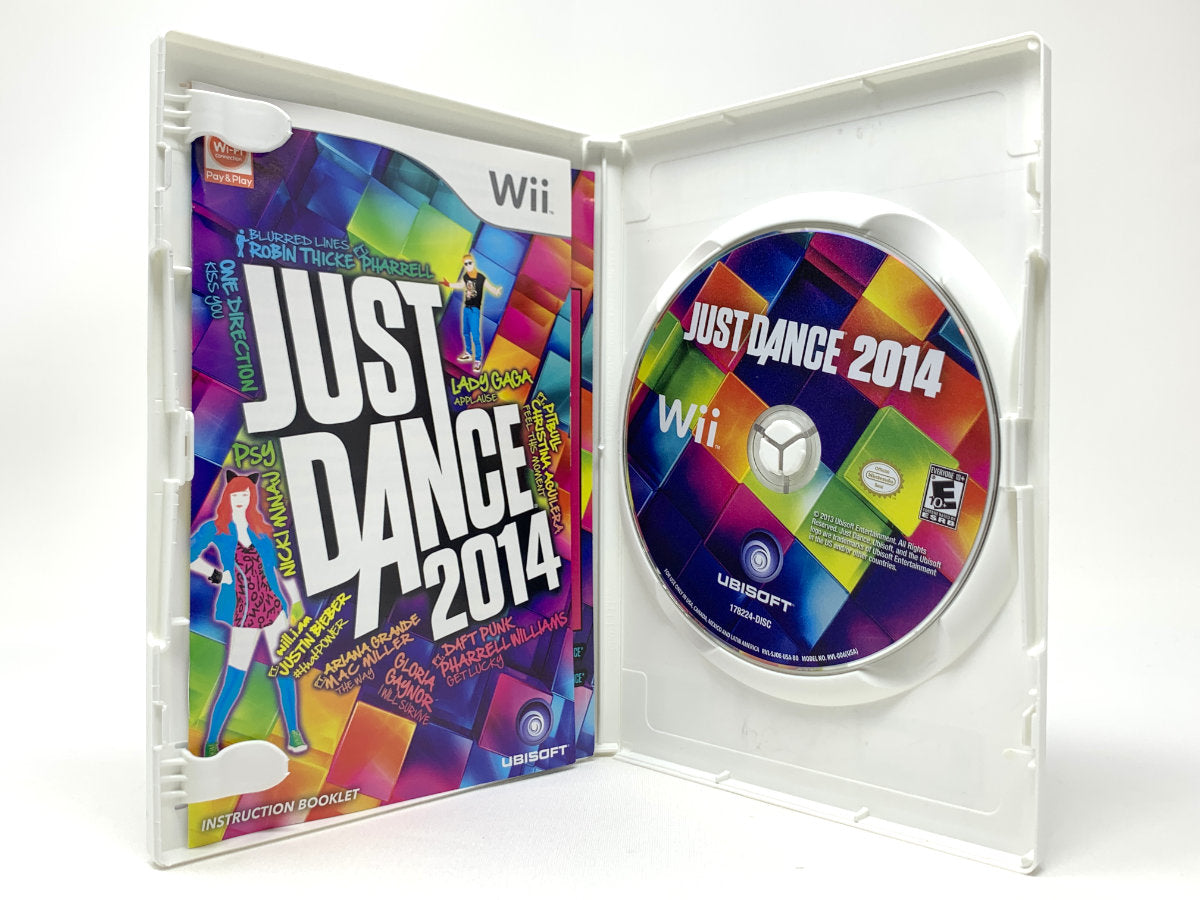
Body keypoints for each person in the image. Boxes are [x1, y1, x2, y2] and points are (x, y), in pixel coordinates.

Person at [190, 471, 307, 757]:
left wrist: (295, 602)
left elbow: (280, 569)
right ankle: (212, 739)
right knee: (235, 676)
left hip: (273, 606)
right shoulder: (216, 528)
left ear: (251, 496)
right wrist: (217, 576)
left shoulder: (261, 530)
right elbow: (189, 555)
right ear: (228, 496)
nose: (240, 498)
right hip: (243, 611)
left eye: (245, 494)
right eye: (236, 493)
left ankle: (293, 732)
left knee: (284, 669)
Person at [443, 254, 502, 372]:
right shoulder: (466, 277)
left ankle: (478, 360)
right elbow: (460, 285)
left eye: (469, 263)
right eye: (466, 264)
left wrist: (496, 291)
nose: (468, 265)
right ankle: (468, 353)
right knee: (465, 332)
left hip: (475, 310)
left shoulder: (481, 277)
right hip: (466, 308)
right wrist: (449, 284)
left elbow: (490, 287)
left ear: (473, 263)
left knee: (475, 334)